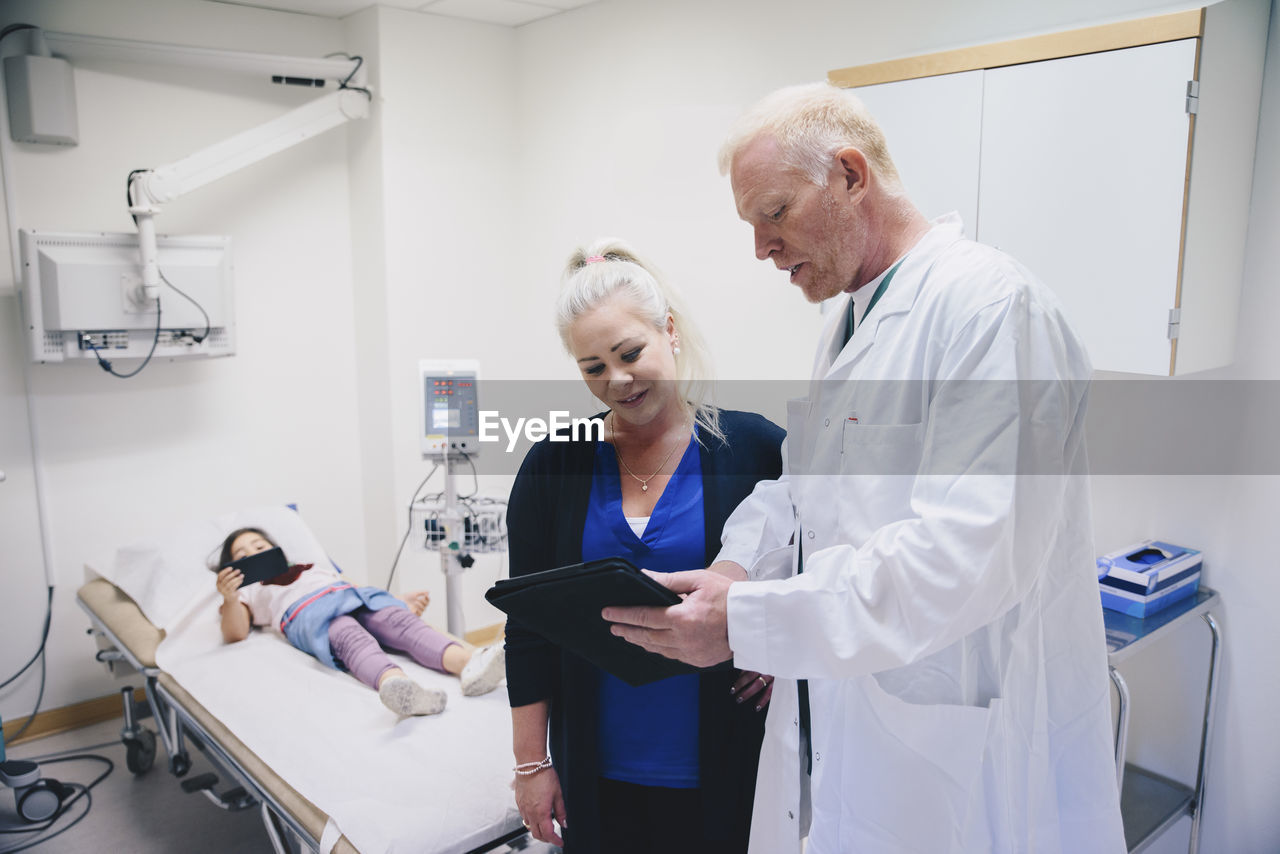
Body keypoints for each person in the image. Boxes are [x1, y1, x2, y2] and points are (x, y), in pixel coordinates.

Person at [604, 83, 1127, 853]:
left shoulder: (991, 309)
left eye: (774, 213)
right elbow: (800, 487)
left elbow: (965, 558)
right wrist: (740, 570)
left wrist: (748, 624)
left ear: (851, 175)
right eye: (751, 225)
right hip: (857, 728)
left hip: (965, 743)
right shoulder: (847, 321)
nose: (762, 249)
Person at [503, 239, 785, 853]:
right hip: (596, 780)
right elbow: (528, 631)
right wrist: (531, 765)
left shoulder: (755, 449)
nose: (618, 380)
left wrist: (778, 640)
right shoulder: (554, 467)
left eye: (631, 353)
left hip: (731, 766)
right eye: (594, 367)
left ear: (670, 332)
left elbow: (815, 570)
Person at [214, 526, 505, 716]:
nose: (253, 553)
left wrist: (397, 602)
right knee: (350, 637)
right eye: (242, 555)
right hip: (308, 613)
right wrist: (229, 597)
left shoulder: (311, 567)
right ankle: (398, 686)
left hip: (351, 595)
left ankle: (470, 664)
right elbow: (236, 632)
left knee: (399, 622)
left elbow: (352, 594)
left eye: (259, 545)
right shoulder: (247, 589)